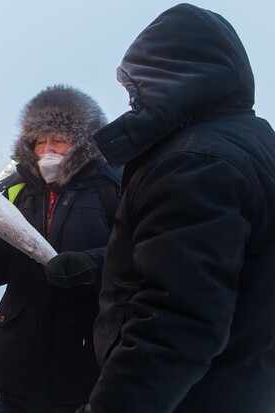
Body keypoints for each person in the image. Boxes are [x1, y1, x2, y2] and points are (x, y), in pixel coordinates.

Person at [44, 4, 275, 412]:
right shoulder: (252, 141)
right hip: (243, 382)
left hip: (192, 398)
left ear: (174, 80)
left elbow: (175, 324)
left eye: (137, 89)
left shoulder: (193, 163)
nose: (133, 101)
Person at [0, 85, 121, 412]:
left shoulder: (112, 188)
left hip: (84, 368)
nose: (48, 149)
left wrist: (93, 265)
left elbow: (139, 259)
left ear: (84, 143)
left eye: (60, 139)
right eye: (40, 140)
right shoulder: (13, 192)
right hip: (16, 371)